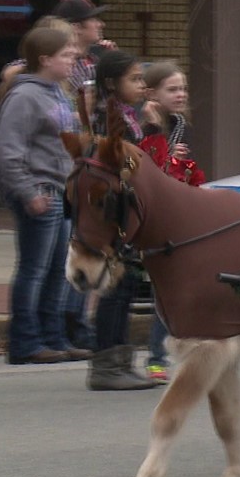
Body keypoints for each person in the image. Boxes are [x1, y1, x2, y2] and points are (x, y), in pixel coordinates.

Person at [0, 16, 97, 352]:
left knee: (58, 270)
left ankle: (54, 338)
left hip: (61, 190)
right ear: (45, 59)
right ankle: (26, 342)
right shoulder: (24, 96)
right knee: (34, 270)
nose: (73, 60)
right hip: (39, 191)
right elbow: (9, 151)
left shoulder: (58, 94)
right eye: (66, 55)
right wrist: (27, 191)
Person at [87, 49, 159, 390]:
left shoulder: (125, 114)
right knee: (115, 287)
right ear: (111, 83)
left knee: (127, 284)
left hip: (127, 208)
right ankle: (106, 364)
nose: (141, 85)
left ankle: (121, 360)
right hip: (114, 209)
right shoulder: (107, 117)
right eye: (134, 79)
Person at [137, 61, 200, 383]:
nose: (180, 95)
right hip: (151, 217)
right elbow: (146, 171)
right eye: (172, 89)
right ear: (151, 93)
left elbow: (184, 169)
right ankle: (156, 358)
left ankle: (189, 349)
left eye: (183, 89)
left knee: (182, 287)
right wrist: (152, 133)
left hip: (179, 213)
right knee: (164, 290)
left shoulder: (180, 124)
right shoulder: (141, 125)